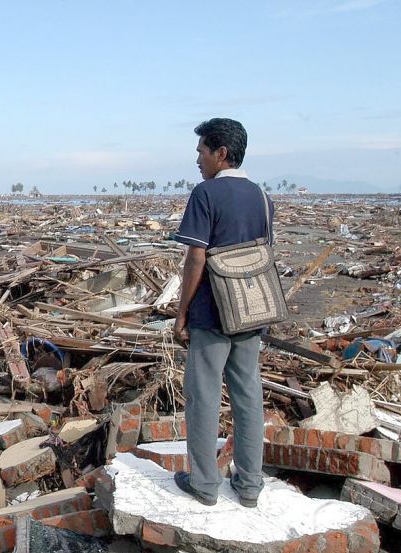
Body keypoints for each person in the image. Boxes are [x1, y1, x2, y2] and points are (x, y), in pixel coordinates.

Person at [172, 118, 272, 508]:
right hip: (252, 312)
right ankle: (249, 486)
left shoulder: (206, 194)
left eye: (201, 151)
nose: (197, 159)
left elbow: (196, 257)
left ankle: (205, 484)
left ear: (221, 153)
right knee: (248, 396)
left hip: (212, 314)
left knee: (204, 397)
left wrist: (182, 312)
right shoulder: (263, 197)